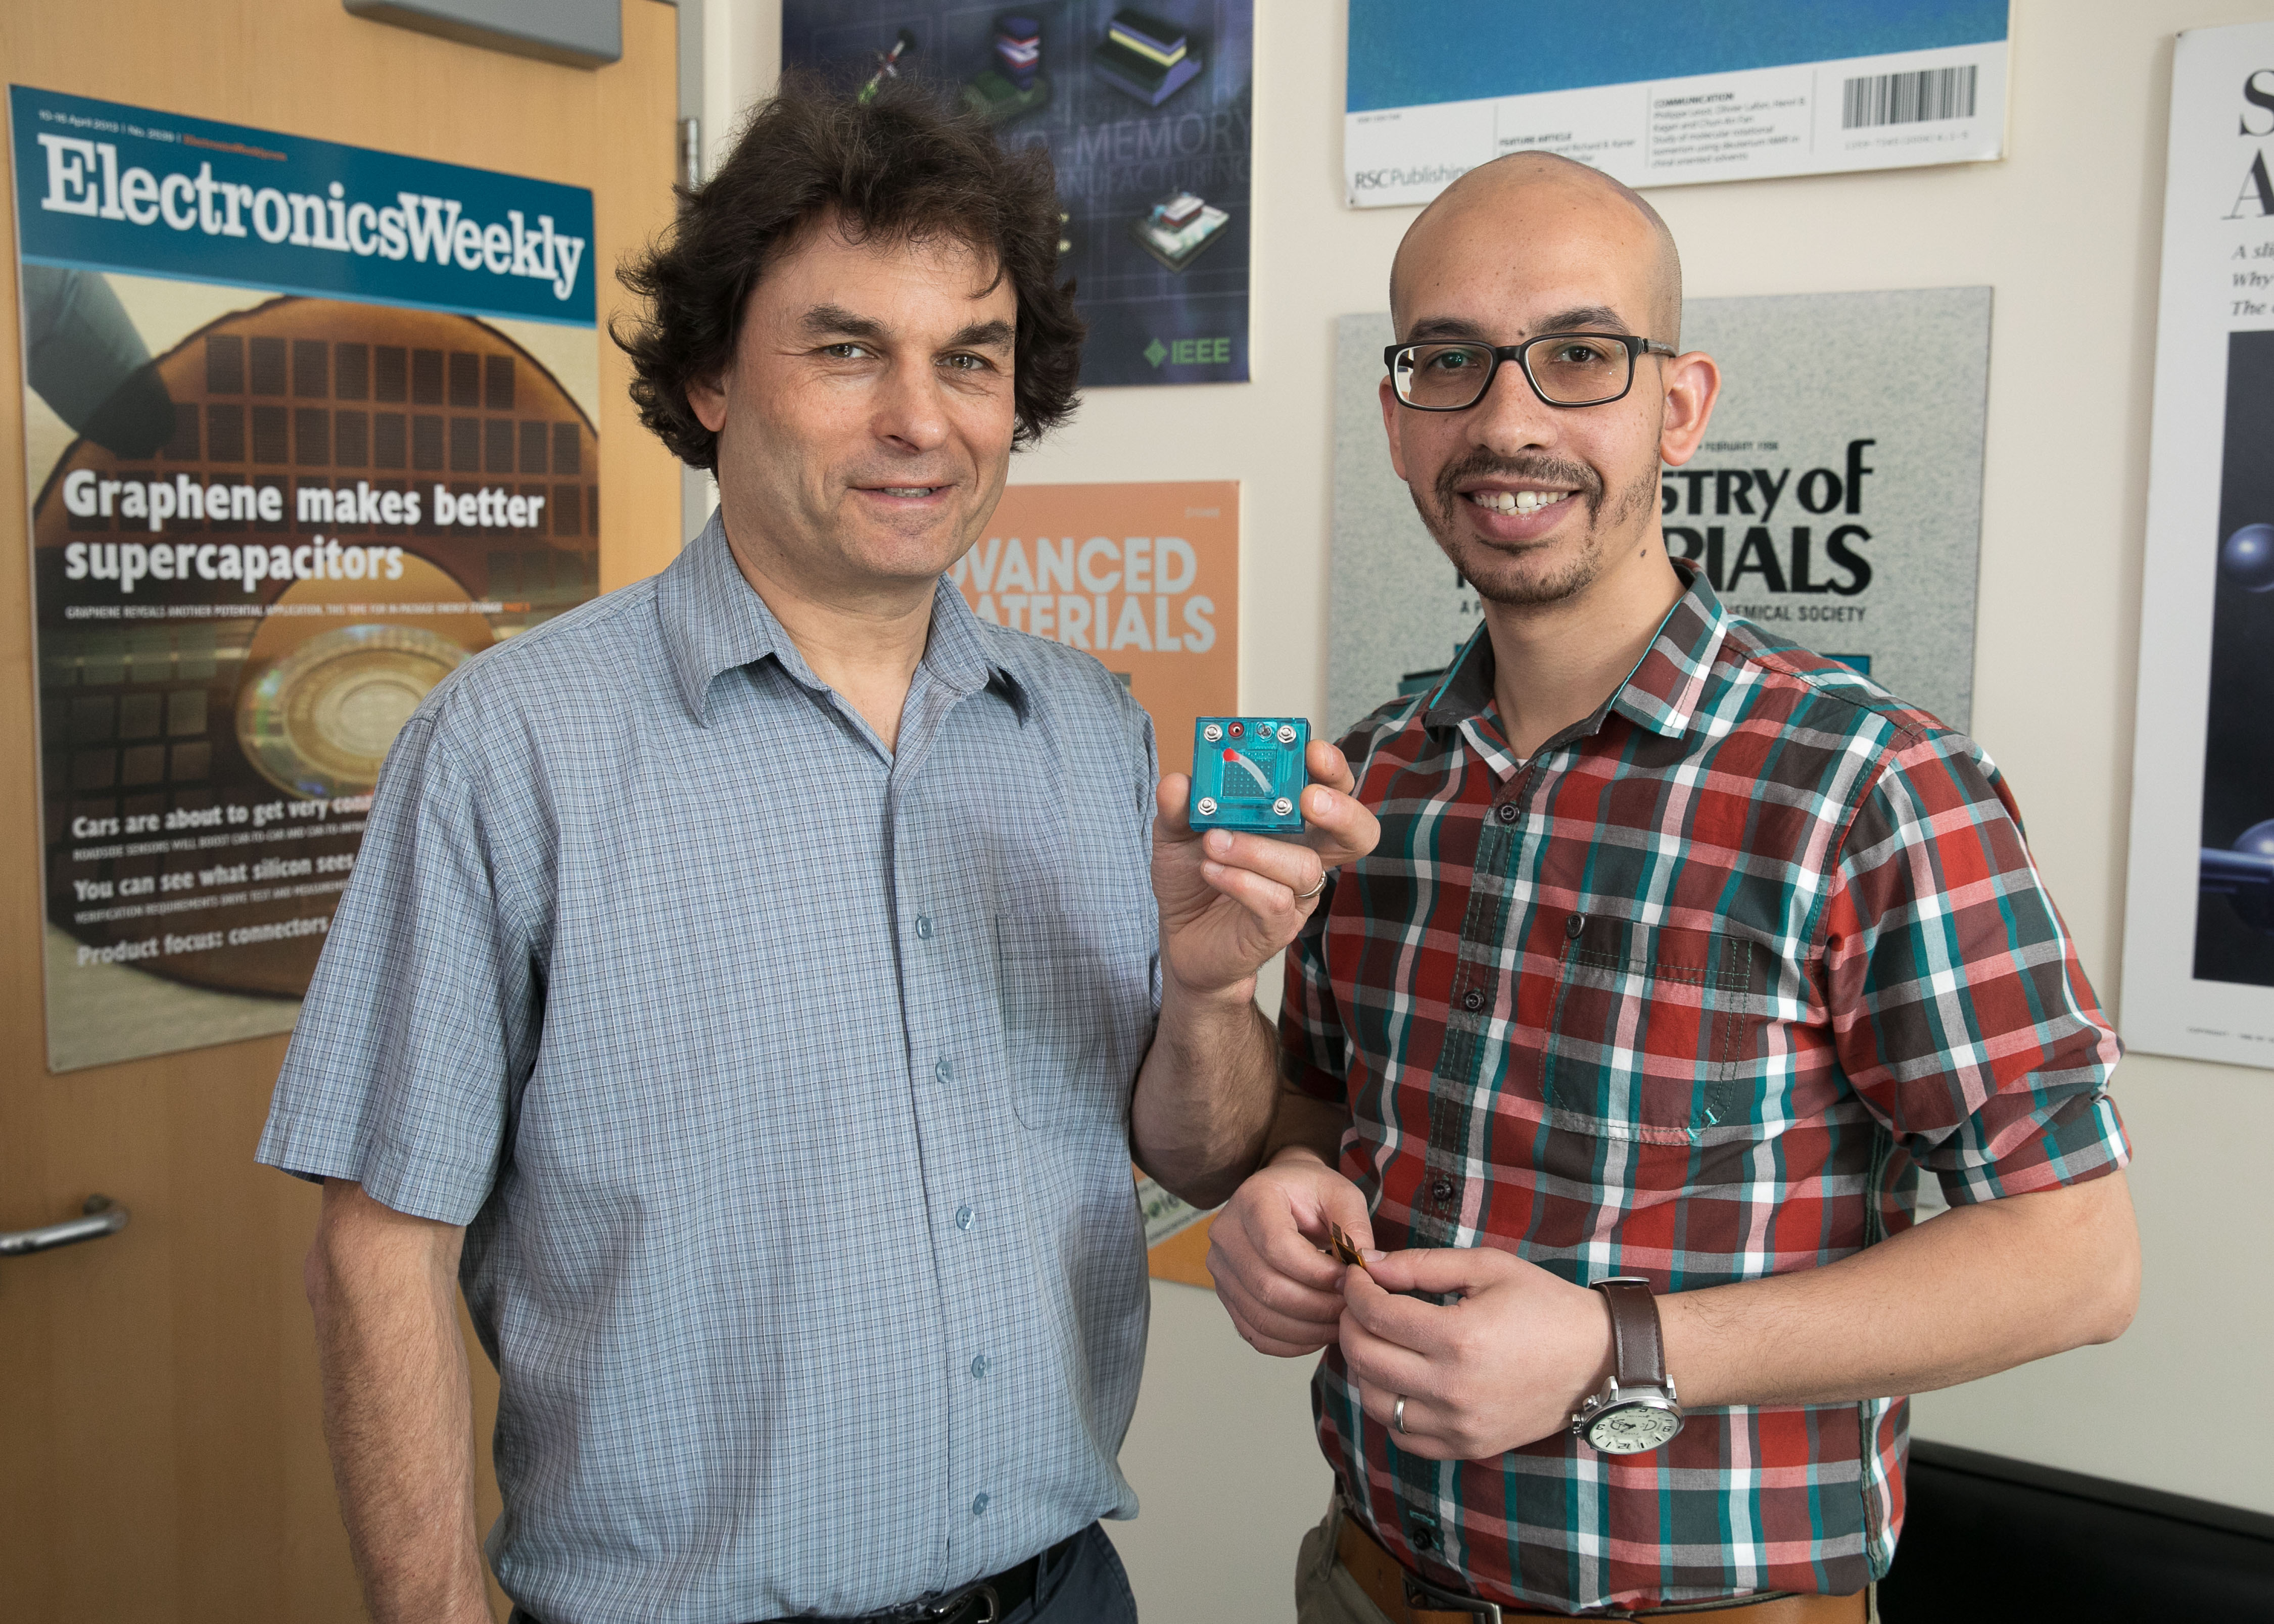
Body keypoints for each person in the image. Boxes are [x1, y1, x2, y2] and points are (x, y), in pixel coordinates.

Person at [255, 80, 1376, 1624]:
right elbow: (378, 1246)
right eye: (848, 350)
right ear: (714, 376)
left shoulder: (1087, 728)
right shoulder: (513, 745)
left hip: (1056, 1594)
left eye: (968, 361)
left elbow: (1192, 1153)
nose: (921, 419)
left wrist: (1202, 1001)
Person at [1190, 152, 2141, 1621]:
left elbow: (2074, 1261)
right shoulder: (1375, 780)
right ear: (1393, 419)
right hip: (1368, 1583)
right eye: (1448, 361)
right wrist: (1284, 1194)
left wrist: (1615, 1349)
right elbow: (1316, 1123)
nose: (1508, 420)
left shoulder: (1870, 785)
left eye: (1578, 357)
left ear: (1677, 408)